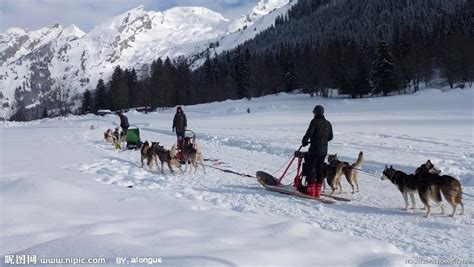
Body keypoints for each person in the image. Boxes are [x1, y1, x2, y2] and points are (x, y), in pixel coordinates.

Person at [301, 105, 333, 198]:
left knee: (310, 169)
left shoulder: (314, 121)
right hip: (324, 151)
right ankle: (317, 191)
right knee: (319, 169)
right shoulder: (328, 123)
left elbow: (309, 133)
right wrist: (322, 140)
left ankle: (311, 191)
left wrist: (304, 141)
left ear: (315, 112)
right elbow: (330, 137)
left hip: (314, 150)